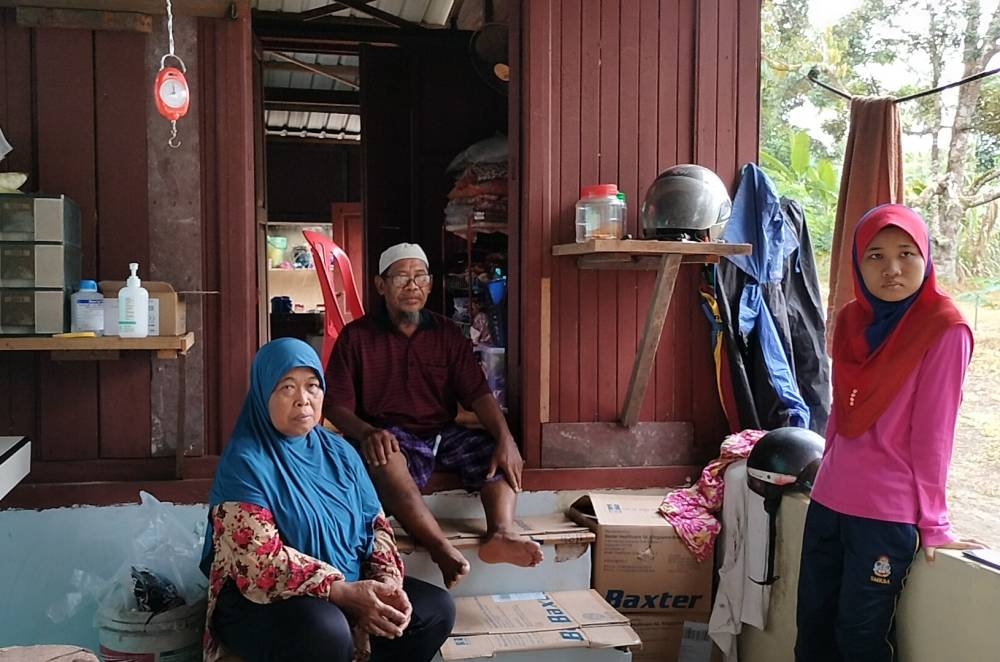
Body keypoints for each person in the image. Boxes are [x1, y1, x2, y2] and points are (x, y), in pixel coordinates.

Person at [795, 204, 983, 662]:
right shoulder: (852, 320)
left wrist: (934, 523)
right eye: (875, 256)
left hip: (885, 515)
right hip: (828, 503)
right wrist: (823, 477)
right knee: (812, 632)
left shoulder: (944, 328)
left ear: (926, 256)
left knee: (859, 641)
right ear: (858, 264)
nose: (893, 269)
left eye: (906, 253)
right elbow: (840, 412)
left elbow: (934, 436)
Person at [200, 338, 455, 662]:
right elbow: (259, 561)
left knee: (434, 609)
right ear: (263, 394)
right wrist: (340, 592)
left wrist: (386, 581)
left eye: (313, 386)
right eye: (287, 388)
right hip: (260, 599)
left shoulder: (341, 452)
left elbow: (376, 525)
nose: (303, 400)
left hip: (348, 583)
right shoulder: (245, 461)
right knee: (327, 629)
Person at [324, 242, 543, 589]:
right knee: (386, 456)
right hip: (388, 433)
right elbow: (334, 405)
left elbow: (478, 393)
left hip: (441, 433)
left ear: (429, 285)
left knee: (491, 451)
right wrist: (367, 432)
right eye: (401, 277)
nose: (412, 286)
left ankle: (502, 533)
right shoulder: (357, 338)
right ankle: (441, 549)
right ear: (381, 285)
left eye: (420, 277)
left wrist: (506, 439)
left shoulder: (446, 334)